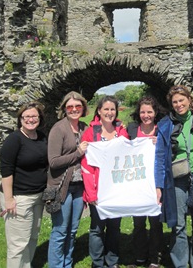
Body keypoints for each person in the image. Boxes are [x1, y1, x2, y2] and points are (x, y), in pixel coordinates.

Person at [155, 85, 193, 268]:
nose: (179, 104)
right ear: (171, 105)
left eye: (182, 100)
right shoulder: (165, 124)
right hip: (176, 180)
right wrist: (159, 186)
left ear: (189, 100)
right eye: (175, 102)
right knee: (178, 224)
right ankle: (180, 263)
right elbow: (159, 157)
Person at [81, 95, 129, 268]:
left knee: (115, 227)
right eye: (106, 109)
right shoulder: (91, 132)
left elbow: (129, 156)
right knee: (97, 229)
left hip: (116, 190)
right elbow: (86, 166)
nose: (109, 112)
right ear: (99, 111)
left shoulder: (121, 131)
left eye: (112, 109)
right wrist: (91, 193)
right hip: (97, 189)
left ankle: (113, 261)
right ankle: (98, 262)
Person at [0, 101, 47, 268]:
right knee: (18, 244)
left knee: (32, 237)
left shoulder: (41, 137)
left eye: (34, 116)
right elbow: (6, 171)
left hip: (38, 196)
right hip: (19, 198)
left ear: (40, 118)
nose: (30, 119)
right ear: (20, 119)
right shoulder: (14, 140)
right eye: (26, 116)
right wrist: (9, 199)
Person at [47, 91, 89, 268]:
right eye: (70, 106)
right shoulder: (59, 129)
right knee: (60, 231)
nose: (74, 109)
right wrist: (77, 153)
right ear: (64, 109)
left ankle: (68, 263)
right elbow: (54, 161)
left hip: (80, 187)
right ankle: (57, 265)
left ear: (83, 108)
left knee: (72, 231)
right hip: (62, 186)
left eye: (77, 106)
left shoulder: (84, 127)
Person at [127, 97, 165, 268]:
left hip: (155, 183)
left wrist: (161, 143)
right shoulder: (132, 129)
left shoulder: (162, 130)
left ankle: (155, 259)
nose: (146, 115)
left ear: (155, 113)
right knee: (139, 223)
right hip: (137, 184)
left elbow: (171, 151)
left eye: (149, 112)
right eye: (143, 112)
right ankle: (140, 257)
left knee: (156, 224)